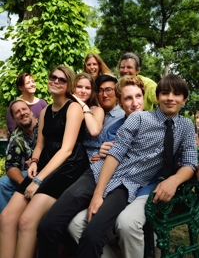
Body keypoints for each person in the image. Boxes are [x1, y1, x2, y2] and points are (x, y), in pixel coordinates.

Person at [36, 75, 197, 258]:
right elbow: (116, 152)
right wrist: (98, 193)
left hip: (127, 185)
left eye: (177, 94)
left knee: (93, 235)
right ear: (157, 96)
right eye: (165, 93)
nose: (170, 98)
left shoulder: (185, 126)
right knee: (48, 225)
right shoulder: (139, 118)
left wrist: (175, 180)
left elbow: (189, 161)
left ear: (184, 100)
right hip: (97, 175)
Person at [0, 65, 90, 258]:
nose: (56, 81)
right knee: (6, 218)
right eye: (53, 77)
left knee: (27, 220)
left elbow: (66, 150)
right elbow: (40, 146)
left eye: (62, 79)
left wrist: (38, 180)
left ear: (69, 85)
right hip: (45, 163)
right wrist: (33, 162)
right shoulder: (44, 111)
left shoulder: (73, 108)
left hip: (68, 167)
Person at [0, 100, 38, 212]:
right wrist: (26, 185)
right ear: (13, 119)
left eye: (24, 109)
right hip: (31, 175)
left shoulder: (45, 124)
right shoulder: (16, 137)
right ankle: (7, 223)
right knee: (3, 183)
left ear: (31, 111)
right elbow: (10, 166)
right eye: (17, 112)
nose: (22, 113)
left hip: (51, 167)